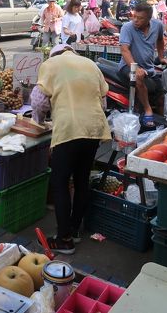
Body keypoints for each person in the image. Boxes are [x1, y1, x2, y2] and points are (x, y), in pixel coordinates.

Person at [30, 44, 110, 254]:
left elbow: (38, 102)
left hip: (69, 128)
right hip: (93, 127)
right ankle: (74, 230)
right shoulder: (91, 64)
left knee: (60, 182)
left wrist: (39, 122)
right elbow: (103, 102)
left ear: (55, 53)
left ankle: (64, 240)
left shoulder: (50, 64)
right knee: (82, 179)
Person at [118, 2, 167, 128]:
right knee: (138, 77)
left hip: (149, 67)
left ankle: (162, 124)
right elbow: (124, 50)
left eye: (140, 18)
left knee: (161, 94)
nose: (135, 20)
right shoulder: (127, 28)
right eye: (134, 16)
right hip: (127, 66)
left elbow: (160, 40)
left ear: (149, 19)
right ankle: (147, 109)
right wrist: (135, 68)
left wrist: (161, 57)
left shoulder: (157, 25)